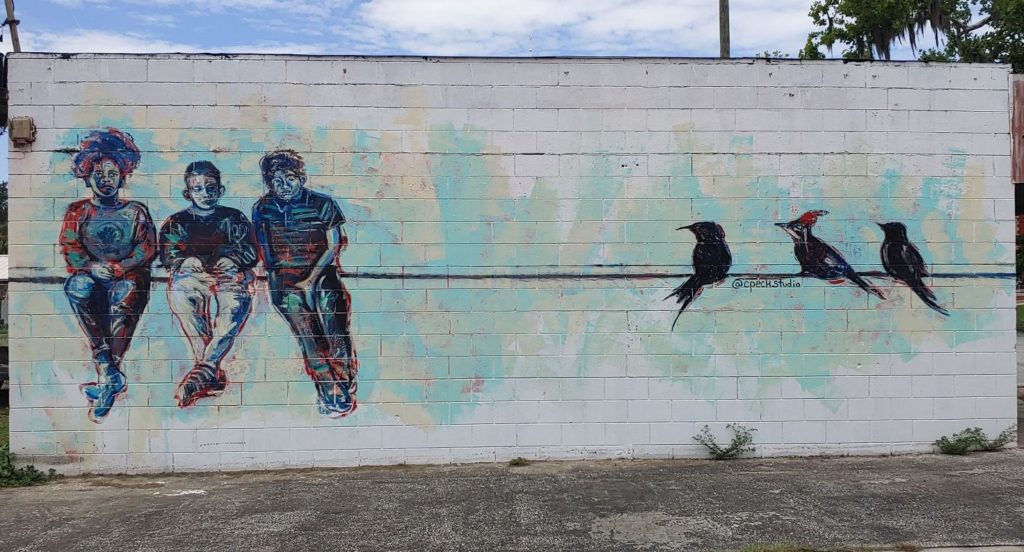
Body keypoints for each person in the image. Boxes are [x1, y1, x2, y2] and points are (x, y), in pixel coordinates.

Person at [251, 149, 358, 417]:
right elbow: (263, 248)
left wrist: (311, 279)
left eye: (289, 178)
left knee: (335, 327)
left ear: (302, 177)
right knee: (308, 334)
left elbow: (335, 244)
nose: (283, 186)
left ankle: (343, 380)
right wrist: (275, 274)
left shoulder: (322, 203)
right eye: (276, 181)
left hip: (322, 270)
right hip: (284, 278)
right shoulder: (262, 208)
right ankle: (330, 388)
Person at [60, 128, 156, 423]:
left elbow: (147, 247)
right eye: (99, 174)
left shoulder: (136, 211)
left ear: (122, 177)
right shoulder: (78, 211)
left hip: (128, 275)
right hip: (93, 274)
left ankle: (107, 375)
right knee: (77, 287)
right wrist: (90, 267)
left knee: (123, 296)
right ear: (88, 176)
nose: (105, 180)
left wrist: (121, 266)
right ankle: (109, 371)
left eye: (111, 174)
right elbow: (70, 246)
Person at [160, 161, 257, 407]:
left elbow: (250, 251)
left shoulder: (233, 217)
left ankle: (204, 370)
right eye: (198, 188)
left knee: (235, 303)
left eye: (210, 188)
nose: (205, 194)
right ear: (188, 193)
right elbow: (168, 253)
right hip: (195, 278)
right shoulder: (176, 222)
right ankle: (209, 368)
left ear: (220, 190)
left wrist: (232, 258)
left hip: (228, 277)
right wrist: (184, 260)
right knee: (181, 293)